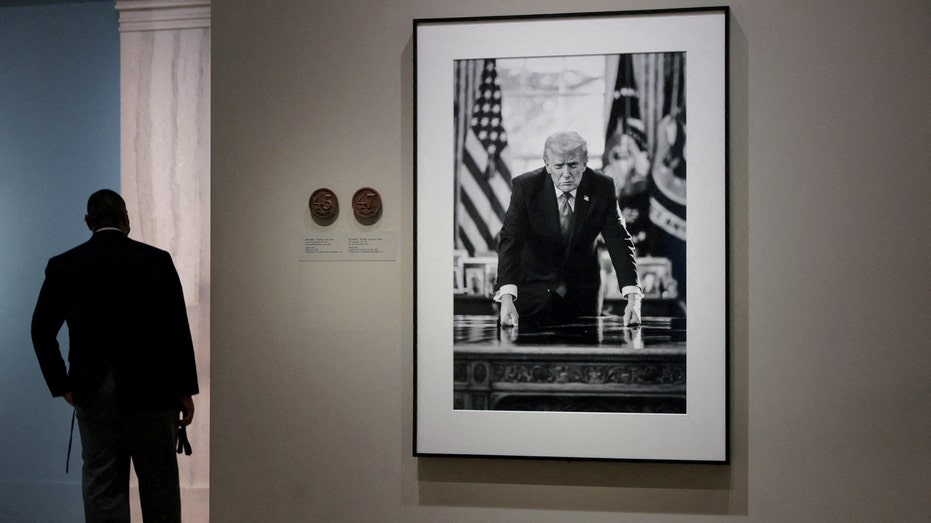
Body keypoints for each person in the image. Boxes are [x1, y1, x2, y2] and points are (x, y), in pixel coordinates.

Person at [31, 189, 198, 523]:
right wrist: (185, 390)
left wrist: (63, 385)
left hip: (94, 391)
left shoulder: (65, 266)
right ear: (126, 218)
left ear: (87, 222)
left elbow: (41, 331)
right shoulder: (156, 260)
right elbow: (176, 330)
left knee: (103, 486)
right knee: (160, 484)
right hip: (153, 391)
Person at [495, 131, 642, 328]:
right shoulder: (526, 187)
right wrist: (506, 298)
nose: (566, 174)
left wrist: (633, 298)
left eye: (573, 165)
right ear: (547, 165)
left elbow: (619, 242)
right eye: (558, 166)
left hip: (583, 299)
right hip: (532, 296)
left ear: (585, 162)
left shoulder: (602, 187)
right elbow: (510, 241)